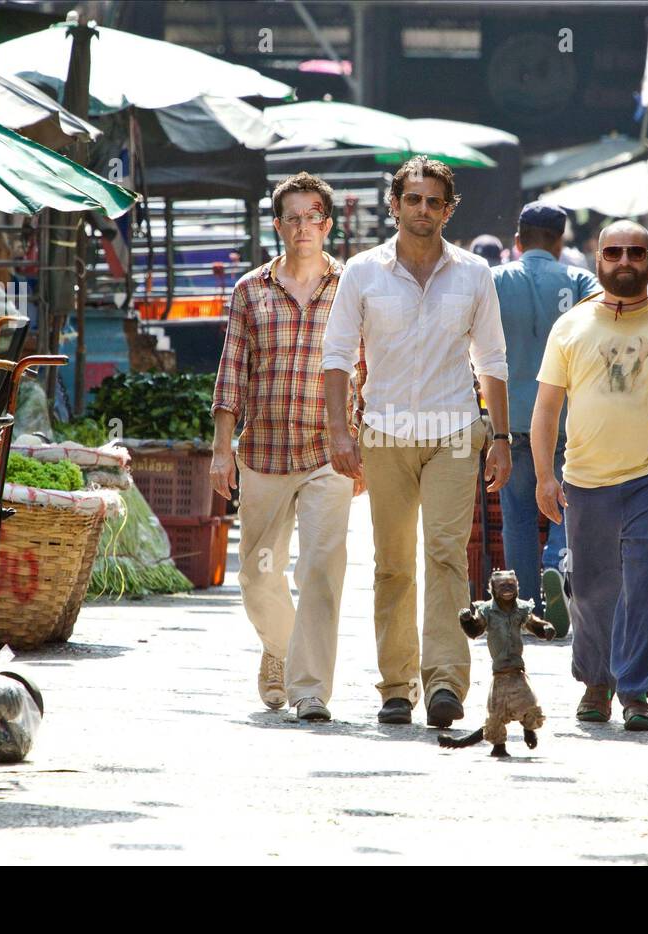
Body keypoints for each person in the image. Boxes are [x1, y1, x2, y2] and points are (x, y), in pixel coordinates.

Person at [322, 156, 511, 729]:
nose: (423, 210)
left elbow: (493, 359)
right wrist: (338, 429)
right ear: (395, 205)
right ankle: (397, 687)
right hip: (384, 436)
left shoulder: (475, 273)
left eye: (435, 201)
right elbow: (335, 357)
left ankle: (447, 684)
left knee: (447, 556)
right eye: (414, 200)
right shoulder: (362, 272)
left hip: (455, 433)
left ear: (449, 210)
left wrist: (500, 438)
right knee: (393, 565)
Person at [531, 220, 648, 732]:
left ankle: (636, 689)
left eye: (635, 253)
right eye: (613, 253)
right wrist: (544, 477)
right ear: (597, 260)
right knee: (592, 587)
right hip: (586, 479)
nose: (624, 262)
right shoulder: (570, 326)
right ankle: (597, 682)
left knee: (646, 579)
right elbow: (547, 408)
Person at [212, 172, 362, 723]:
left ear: (327, 223)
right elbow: (232, 373)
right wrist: (221, 448)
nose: (303, 226)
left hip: (331, 453)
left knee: (322, 571)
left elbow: (365, 370)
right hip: (266, 454)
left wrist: (362, 445)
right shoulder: (250, 290)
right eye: (292, 217)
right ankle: (280, 647)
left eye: (313, 215)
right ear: (278, 226)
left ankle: (310, 689)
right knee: (258, 574)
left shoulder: (352, 287)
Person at [491, 201, 600, 638]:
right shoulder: (579, 281)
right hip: (569, 417)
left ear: (517, 241)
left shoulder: (494, 281)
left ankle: (525, 606)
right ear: (560, 242)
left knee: (516, 513)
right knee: (568, 503)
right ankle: (558, 559)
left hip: (511, 417)